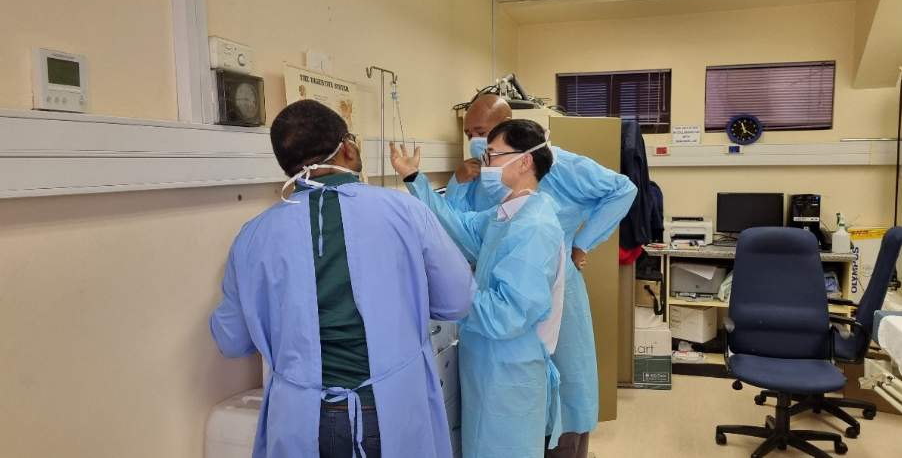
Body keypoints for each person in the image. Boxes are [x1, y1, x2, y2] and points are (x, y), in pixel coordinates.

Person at [209, 100, 477, 458]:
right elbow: (458, 301)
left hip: (302, 422)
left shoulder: (252, 236)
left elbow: (232, 341)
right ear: (347, 147)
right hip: (390, 412)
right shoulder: (405, 211)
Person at [448, 95, 638, 458]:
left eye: (482, 132)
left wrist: (581, 244)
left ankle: (568, 451)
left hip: (554, 282)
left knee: (567, 379)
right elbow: (462, 226)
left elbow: (622, 190)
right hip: (504, 284)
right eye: (469, 133)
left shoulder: (558, 162)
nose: (475, 141)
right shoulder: (483, 170)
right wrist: (458, 182)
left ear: (508, 125)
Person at [389, 119, 566, 458]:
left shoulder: (534, 227)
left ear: (525, 161)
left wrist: (448, 297)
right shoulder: (507, 215)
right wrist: (414, 179)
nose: (485, 165)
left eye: (492, 156)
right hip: (488, 361)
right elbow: (457, 226)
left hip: (508, 370)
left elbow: (506, 313)